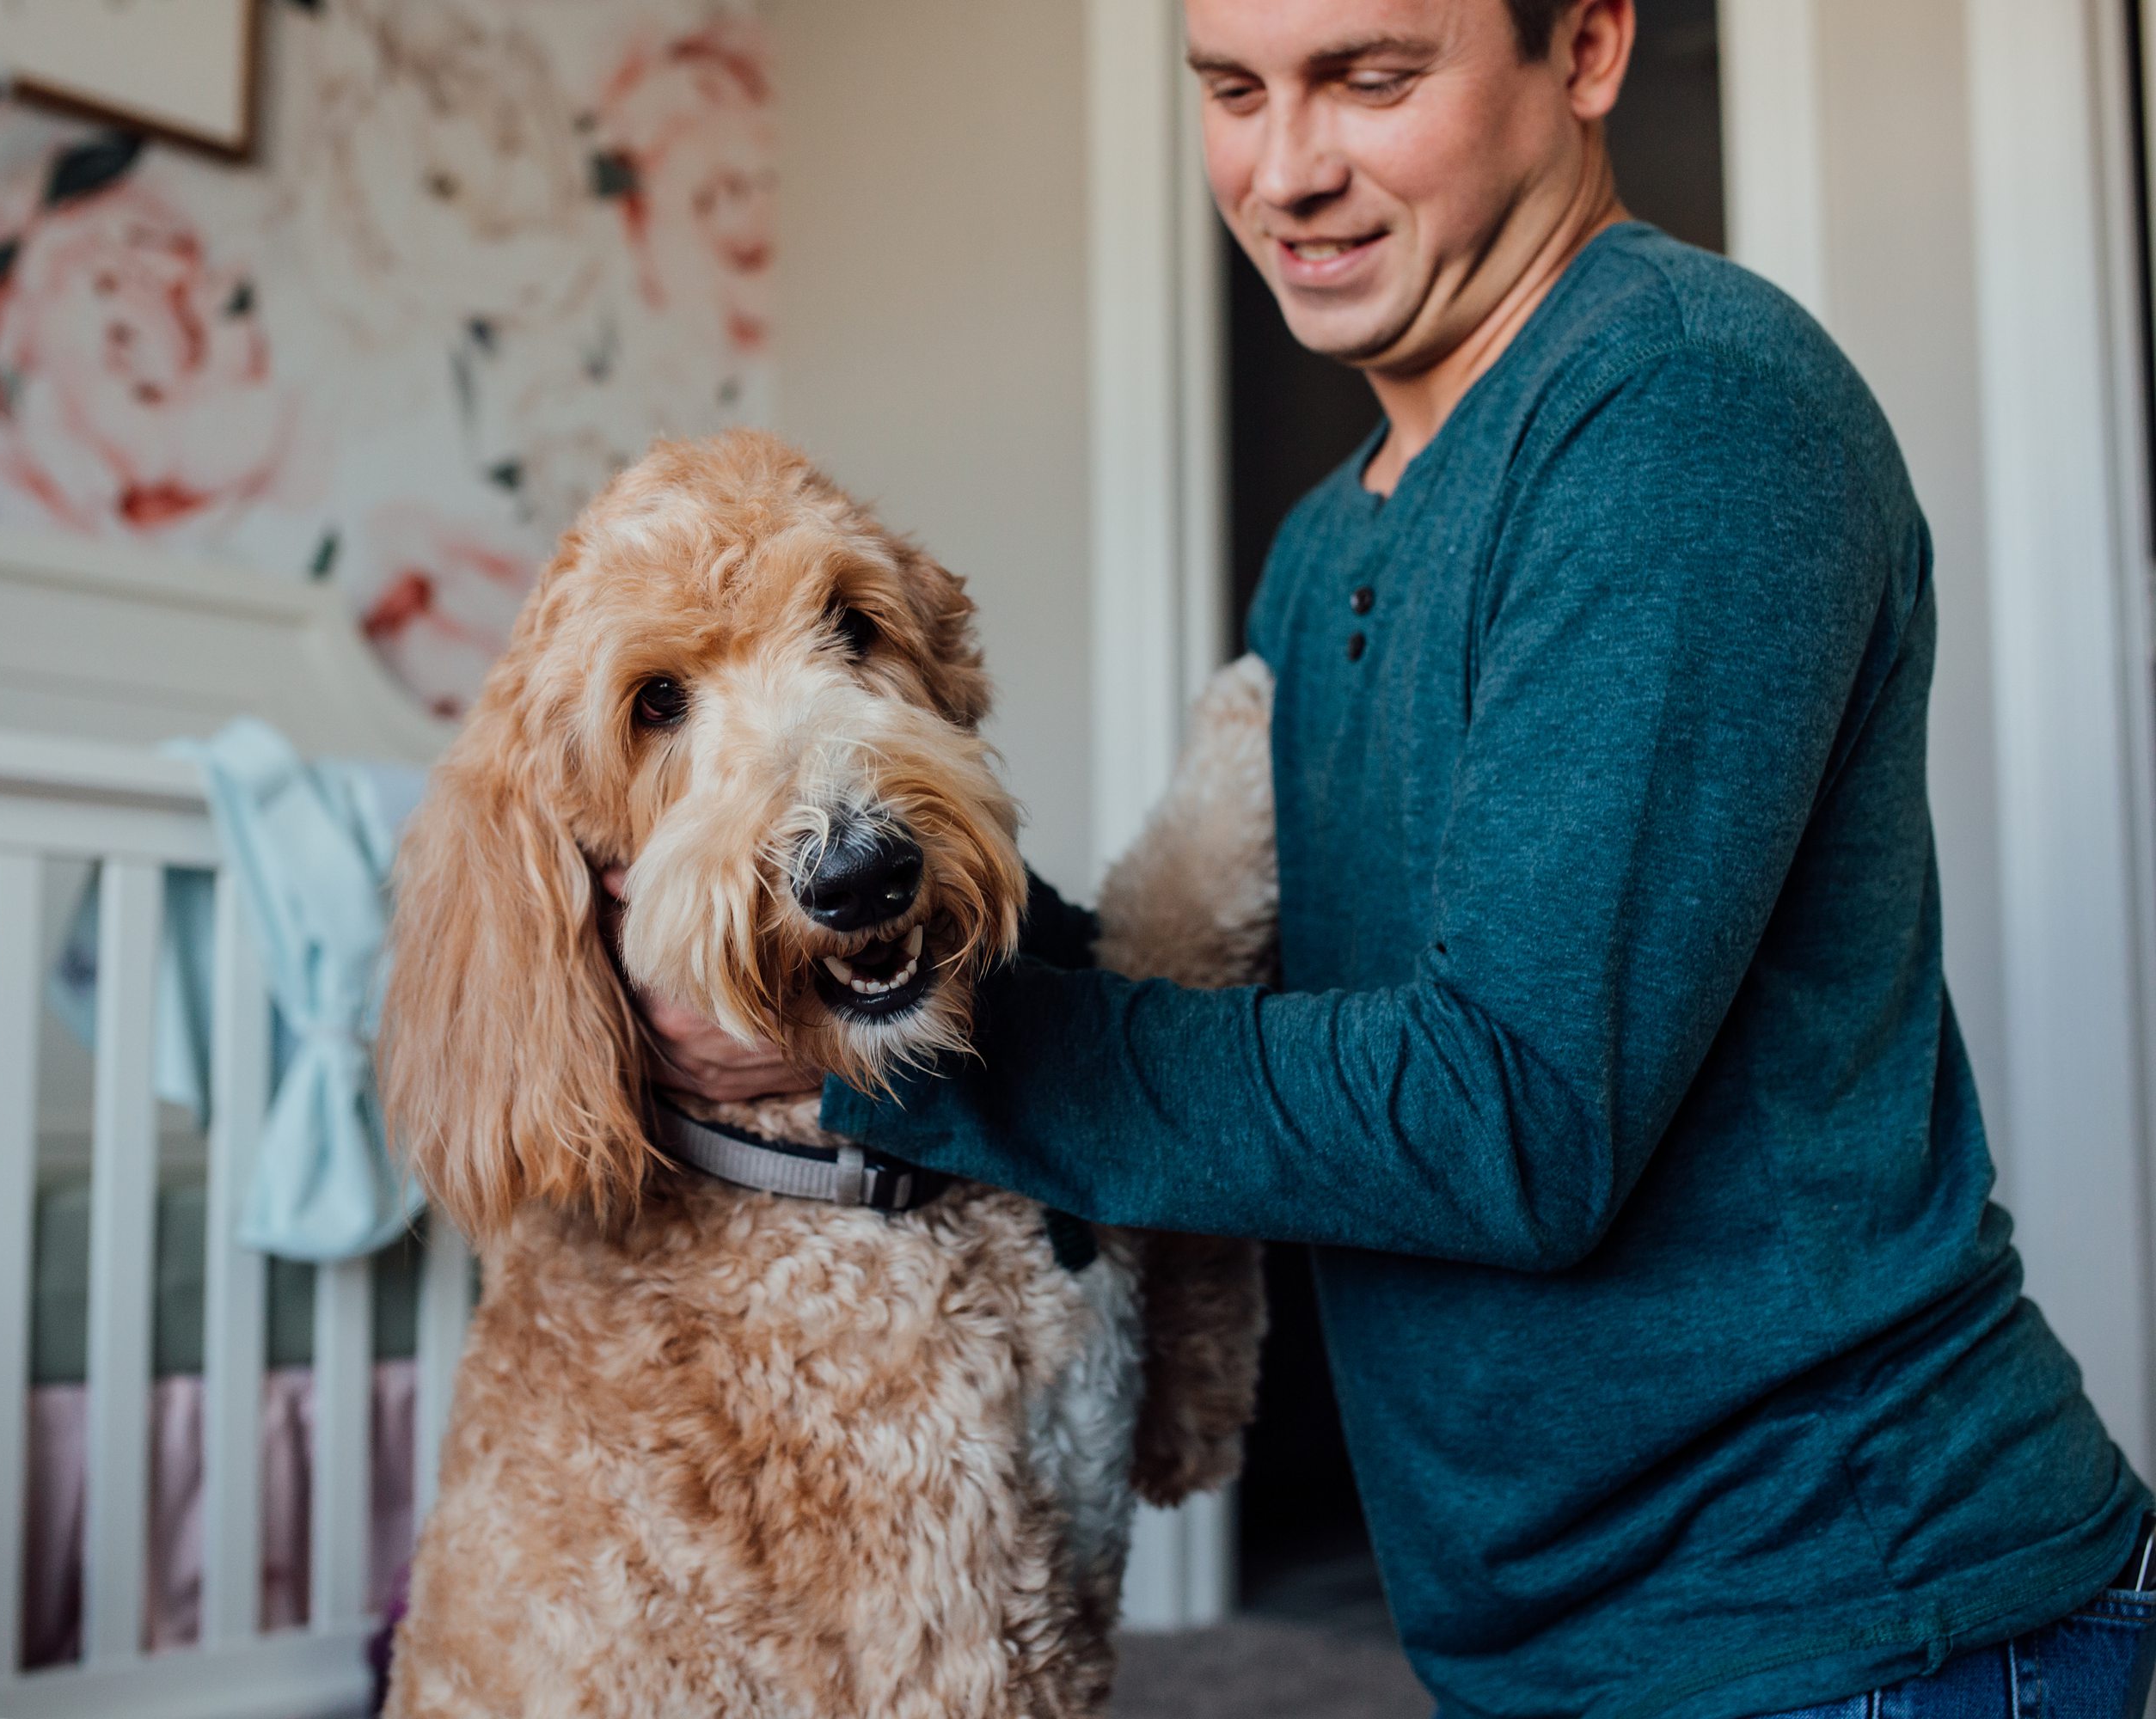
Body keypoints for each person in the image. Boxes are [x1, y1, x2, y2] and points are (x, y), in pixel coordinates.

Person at [613, 0, 2156, 1712]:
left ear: (1584, 48)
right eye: (1233, 90)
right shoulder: (1330, 535)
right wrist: (868, 944)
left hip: (1851, 1618)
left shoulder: (1683, 414)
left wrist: (894, 1075)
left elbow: (1510, 1117)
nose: (1290, 170)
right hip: (1540, 1635)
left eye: (1369, 78)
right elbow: (1217, 1024)